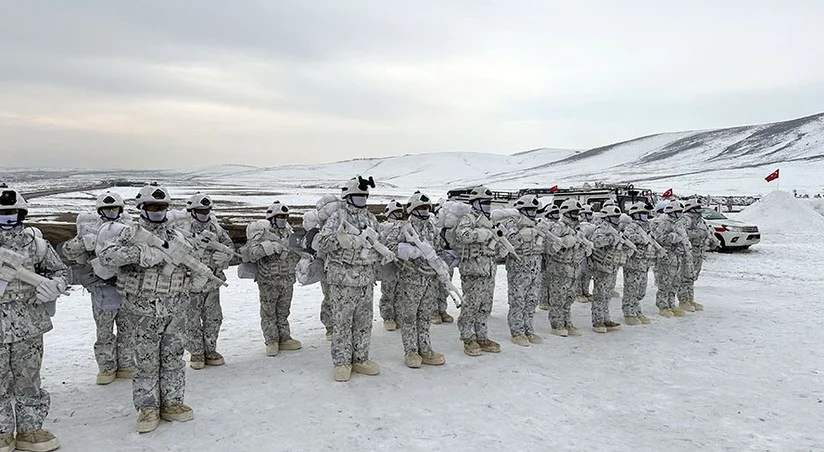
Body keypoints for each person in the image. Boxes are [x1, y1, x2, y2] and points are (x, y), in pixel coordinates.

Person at [97, 183, 202, 433]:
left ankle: (173, 402)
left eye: (162, 207)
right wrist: (142, 253)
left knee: (173, 357)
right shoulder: (129, 233)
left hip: (176, 308)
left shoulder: (178, 236)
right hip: (141, 310)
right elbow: (107, 257)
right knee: (145, 361)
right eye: (153, 206)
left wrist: (197, 274)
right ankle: (148, 407)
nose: (158, 211)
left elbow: (194, 261)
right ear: (142, 208)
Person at [0, 185, 66, 452]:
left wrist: (54, 286)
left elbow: (59, 271)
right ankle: (2, 432)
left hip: (28, 323)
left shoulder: (36, 244)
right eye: (2, 214)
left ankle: (30, 429)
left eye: (12, 214)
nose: (7, 219)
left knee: (29, 379)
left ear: (22, 215)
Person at [316, 176, 385, 382]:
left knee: (364, 322)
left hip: (365, 280)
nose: (362, 200)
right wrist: (342, 240)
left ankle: (361, 358)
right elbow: (322, 242)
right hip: (343, 281)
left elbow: (379, 241)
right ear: (348, 197)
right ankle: (342, 362)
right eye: (358, 196)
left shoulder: (371, 219)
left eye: (364, 196)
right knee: (342, 323)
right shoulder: (338, 217)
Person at [63, 192, 135, 384]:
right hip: (102, 287)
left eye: (114, 208)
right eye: (107, 208)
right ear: (100, 210)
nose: (111, 211)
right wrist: (85, 241)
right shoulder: (90, 229)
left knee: (127, 329)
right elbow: (68, 251)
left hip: (126, 286)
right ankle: (107, 367)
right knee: (104, 331)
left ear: (120, 209)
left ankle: (126, 364)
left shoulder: (128, 228)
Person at [385, 192, 446, 368]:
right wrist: (409, 251)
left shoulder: (432, 228)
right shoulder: (403, 228)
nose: (425, 211)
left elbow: (440, 250)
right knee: (409, 317)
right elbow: (389, 247)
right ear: (412, 209)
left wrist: (442, 266)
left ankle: (426, 349)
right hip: (410, 280)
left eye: (427, 207)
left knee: (425, 316)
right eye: (421, 207)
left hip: (430, 280)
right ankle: (411, 351)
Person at [181, 193, 234, 369]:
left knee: (213, 318)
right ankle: (196, 353)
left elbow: (230, 248)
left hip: (212, 283)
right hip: (190, 284)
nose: (203, 213)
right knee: (191, 320)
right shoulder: (183, 230)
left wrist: (224, 257)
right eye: (200, 210)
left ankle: (210, 350)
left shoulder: (216, 230)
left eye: (206, 210)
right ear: (192, 211)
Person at [244, 201, 302, 356]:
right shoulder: (262, 233)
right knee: (269, 312)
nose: (283, 218)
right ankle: (271, 340)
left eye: (285, 216)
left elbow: (297, 251)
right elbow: (251, 253)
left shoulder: (289, 233)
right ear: (272, 218)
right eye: (280, 216)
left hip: (287, 279)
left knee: (283, 311)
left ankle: (284, 337)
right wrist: (267, 247)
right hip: (268, 280)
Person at [454, 186, 505, 356]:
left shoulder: (490, 221)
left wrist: (500, 246)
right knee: (471, 305)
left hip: (488, 270)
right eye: (485, 202)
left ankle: (482, 336)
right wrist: (481, 233)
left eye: (490, 202)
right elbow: (461, 235)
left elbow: (494, 245)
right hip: (473, 270)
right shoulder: (468, 219)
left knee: (485, 306)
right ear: (475, 203)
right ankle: (468, 338)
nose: (488, 205)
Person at [540, 199, 590, 337]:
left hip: (574, 268)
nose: (577, 214)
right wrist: (565, 242)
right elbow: (549, 249)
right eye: (574, 212)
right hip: (559, 269)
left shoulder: (578, 228)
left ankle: (567, 322)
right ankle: (557, 324)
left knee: (569, 298)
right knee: (558, 298)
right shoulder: (559, 227)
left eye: (577, 212)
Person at [502, 195, 545, 346]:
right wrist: (524, 234)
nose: (532, 213)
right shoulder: (512, 223)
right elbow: (511, 242)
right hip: (519, 269)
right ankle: (517, 332)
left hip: (535, 269)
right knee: (518, 301)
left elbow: (544, 247)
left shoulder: (537, 224)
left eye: (534, 210)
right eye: (529, 210)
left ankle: (529, 330)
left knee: (531, 301)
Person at [587, 205, 629, 333]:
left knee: (607, 294)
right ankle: (598, 321)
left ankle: (606, 318)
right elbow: (596, 242)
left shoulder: (614, 229)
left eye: (617, 217)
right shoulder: (602, 229)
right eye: (613, 217)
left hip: (612, 265)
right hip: (602, 267)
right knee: (600, 294)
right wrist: (612, 239)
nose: (616, 219)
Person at [649, 200, 690, 318]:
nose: (679, 214)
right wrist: (673, 238)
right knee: (665, 282)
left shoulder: (679, 223)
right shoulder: (664, 223)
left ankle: (672, 304)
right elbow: (658, 238)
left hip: (677, 257)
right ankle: (663, 306)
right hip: (667, 257)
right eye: (677, 212)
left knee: (675, 282)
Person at [620, 202, 659, 325]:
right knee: (631, 289)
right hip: (633, 263)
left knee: (641, 290)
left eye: (646, 213)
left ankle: (636, 310)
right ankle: (629, 312)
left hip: (644, 263)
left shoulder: (647, 226)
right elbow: (628, 237)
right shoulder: (632, 226)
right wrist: (644, 239)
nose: (645, 216)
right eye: (642, 213)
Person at [677, 199, 717, 312]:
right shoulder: (686, 219)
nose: (700, 210)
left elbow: (707, 232)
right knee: (685, 276)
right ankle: (683, 300)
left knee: (692, 276)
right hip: (689, 251)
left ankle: (690, 299)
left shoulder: (700, 220)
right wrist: (699, 234)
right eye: (698, 207)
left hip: (699, 251)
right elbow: (682, 233)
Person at [378, 200, 404, 331]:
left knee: (400, 292)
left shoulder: (405, 227)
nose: (398, 216)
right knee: (388, 292)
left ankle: (399, 315)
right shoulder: (383, 227)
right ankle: (388, 317)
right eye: (395, 213)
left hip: (402, 265)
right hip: (388, 265)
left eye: (400, 213)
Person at [537, 203, 561, 311]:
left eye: (557, 212)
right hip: (546, 256)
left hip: (556, 256)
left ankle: (551, 299)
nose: (556, 214)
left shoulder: (559, 225)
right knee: (544, 280)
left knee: (554, 280)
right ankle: (543, 300)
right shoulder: (545, 224)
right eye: (554, 213)